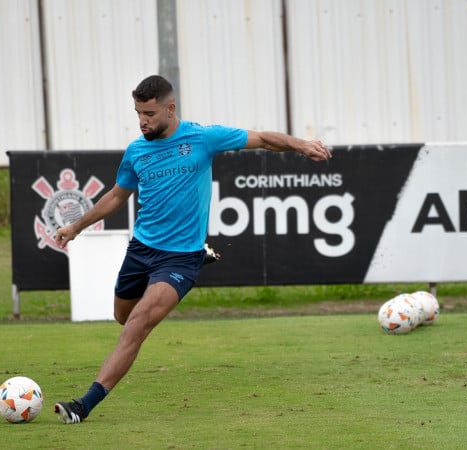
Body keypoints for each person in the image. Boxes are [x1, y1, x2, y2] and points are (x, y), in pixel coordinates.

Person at [52, 75, 332, 424]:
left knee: (137, 325)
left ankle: (84, 405)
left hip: (180, 257)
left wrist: (301, 144)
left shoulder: (202, 138)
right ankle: (193, 261)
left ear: (170, 108)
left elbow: (261, 139)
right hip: (141, 250)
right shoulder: (136, 151)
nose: (142, 121)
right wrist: (76, 227)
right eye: (138, 112)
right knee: (123, 317)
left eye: (150, 113)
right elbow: (115, 196)